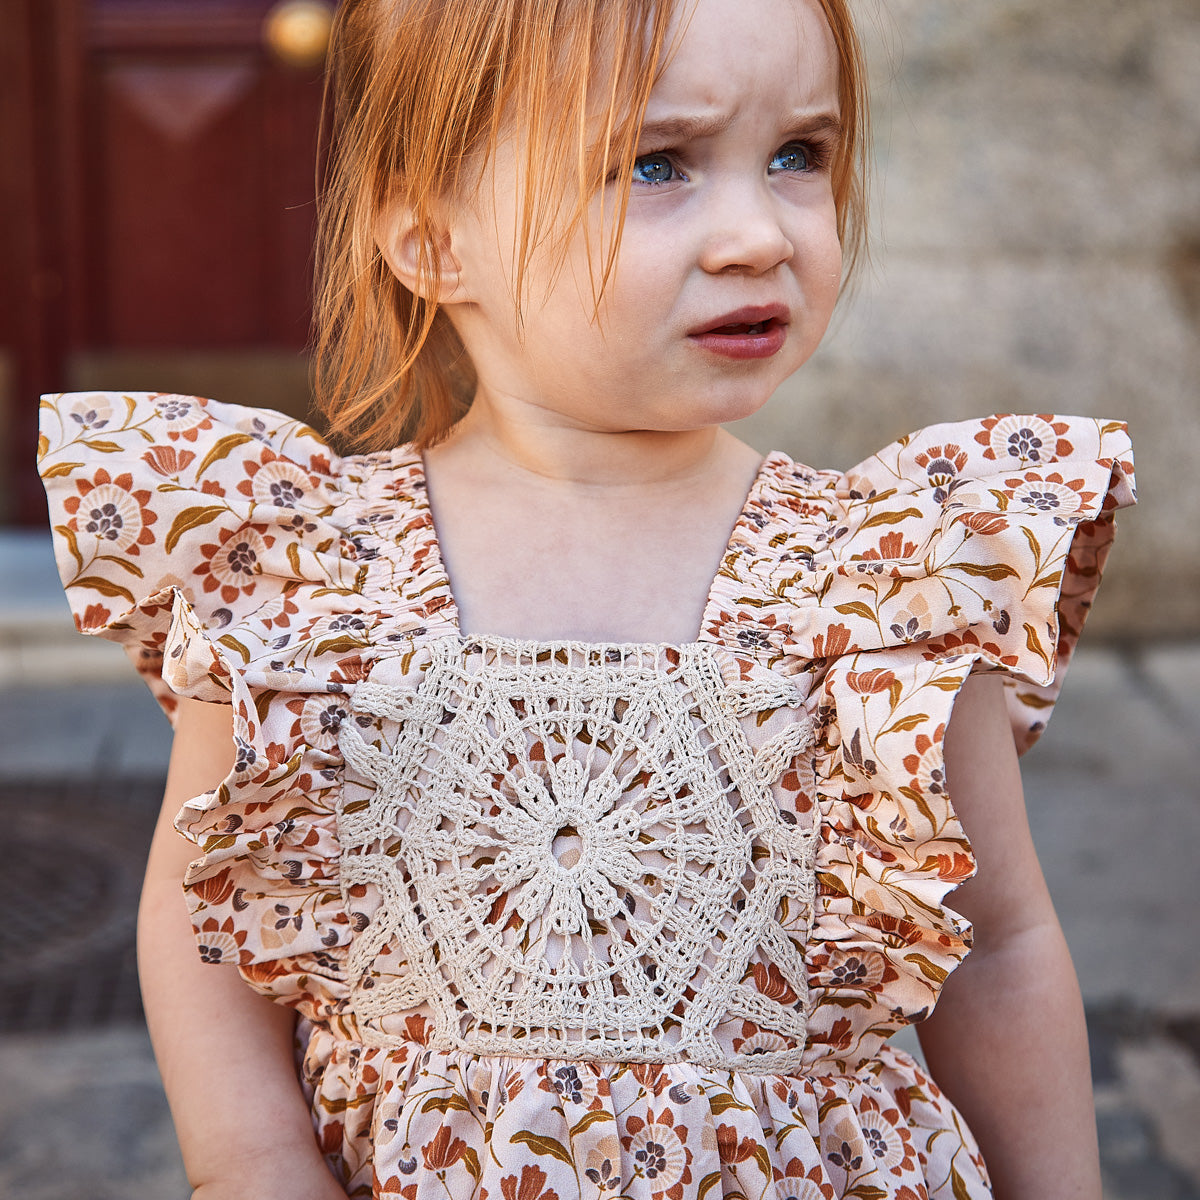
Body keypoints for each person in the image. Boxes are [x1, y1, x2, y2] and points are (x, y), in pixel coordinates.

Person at [37, 0, 1136, 1197]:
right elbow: (199, 914)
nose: (758, 234)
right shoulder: (303, 580)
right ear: (432, 241)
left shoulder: (889, 581)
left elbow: (999, 946)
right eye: (659, 164)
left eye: (797, 154)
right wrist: (251, 1163)